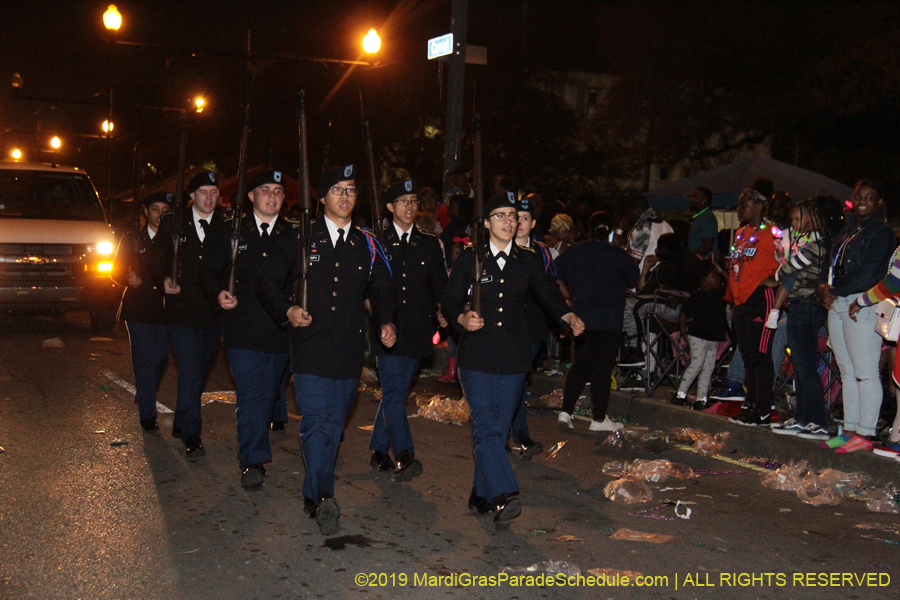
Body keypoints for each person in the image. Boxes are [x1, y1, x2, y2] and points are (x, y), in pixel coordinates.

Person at [258, 164, 395, 535]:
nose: (346, 196)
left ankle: (312, 493)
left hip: (349, 348)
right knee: (316, 422)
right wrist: (286, 309)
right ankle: (324, 497)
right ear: (321, 198)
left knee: (334, 425)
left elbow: (382, 287)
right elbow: (266, 281)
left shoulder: (367, 242)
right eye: (338, 189)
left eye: (351, 189)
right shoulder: (300, 236)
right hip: (309, 346)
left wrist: (386, 320)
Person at [443, 192, 584, 529]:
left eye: (514, 216)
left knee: (497, 428)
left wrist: (566, 315)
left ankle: (480, 493)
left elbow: (547, 292)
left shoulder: (528, 259)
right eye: (501, 215)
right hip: (476, 354)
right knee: (487, 425)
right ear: (487, 222)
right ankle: (503, 493)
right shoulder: (471, 259)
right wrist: (462, 320)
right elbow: (448, 301)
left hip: (513, 355)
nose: (509, 221)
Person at [199, 170, 292, 490]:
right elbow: (207, 270)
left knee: (269, 394)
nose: (272, 196)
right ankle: (252, 460)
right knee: (252, 393)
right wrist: (217, 294)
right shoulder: (231, 229)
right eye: (265, 190)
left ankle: (255, 445)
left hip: (280, 329)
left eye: (278, 191)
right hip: (243, 327)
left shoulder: (293, 232)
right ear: (251, 196)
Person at [368, 179, 447, 481]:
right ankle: (404, 454)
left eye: (413, 200)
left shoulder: (428, 243)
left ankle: (377, 449)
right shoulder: (377, 240)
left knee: (396, 393)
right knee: (393, 391)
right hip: (386, 326)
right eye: (402, 201)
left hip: (416, 328)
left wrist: (443, 309)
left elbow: (439, 283)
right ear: (389, 207)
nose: (409, 207)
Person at [151, 171, 224, 459]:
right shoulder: (174, 222)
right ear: (192, 196)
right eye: (203, 192)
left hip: (212, 311)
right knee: (191, 370)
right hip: (182, 310)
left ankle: (182, 421)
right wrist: (163, 280)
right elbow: (155, 259)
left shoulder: (226, 224)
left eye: (214, 192)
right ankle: (193, 435)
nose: (209, 197)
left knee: (200, 371)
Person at [820, 179, 896, 452]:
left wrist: (834, 288)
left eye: (870, 197)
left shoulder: (882, 233)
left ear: (878, 203)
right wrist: (823, 289)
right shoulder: (848, 229)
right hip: (838, 302)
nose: (863, 200)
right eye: (859, 196)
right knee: (847, 372)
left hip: (861, 303)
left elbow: (871, 272)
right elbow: (828, 264)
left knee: (865, 373)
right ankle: (849, 429)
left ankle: (866, 433)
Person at [764, 197, 843, 440]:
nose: (804, 221)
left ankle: (817, 421)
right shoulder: (819, 244)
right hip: (803, 306)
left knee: (805, 366)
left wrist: (781, 269)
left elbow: (787, 269)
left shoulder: (818, 246)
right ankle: (802, 419)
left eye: (809, 215)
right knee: (800, 366)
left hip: (806, 306)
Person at [556, 211, 639, 432]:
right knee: (602, 368)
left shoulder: (575, 252)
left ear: (589, 229)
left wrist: (568, 298)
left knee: (580, 365)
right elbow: (634, 277)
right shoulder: (618, 255)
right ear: (611, 231)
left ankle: (566, 412)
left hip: (582, 317)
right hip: (609, 319)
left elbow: (553, 272)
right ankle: (599, 419)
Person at [111, 191, 172, 432]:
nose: (160, 215)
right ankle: (147, 414)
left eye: (165, 210)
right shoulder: (133, 238)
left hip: (166, 308)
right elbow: (115, 269)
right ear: (146, 212)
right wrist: (126, 277)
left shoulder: (175, 239)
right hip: (138, 307)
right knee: (144, 359)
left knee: (161, 357)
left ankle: (146, 391)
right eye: (155, 209)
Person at [507, 195, 554, 458]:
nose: (520, 223)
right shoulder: (502, 249)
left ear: (533, 223)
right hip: (508, 327)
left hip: (532, 327)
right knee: (510, 384)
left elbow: (550, 289)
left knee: (519, 383)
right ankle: (512, 435)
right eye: (516, 218)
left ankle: (520, 435)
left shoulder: (542, 252)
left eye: (525, 218)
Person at [673, 260, 727, 410]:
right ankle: (680, 394)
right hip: (698, 335)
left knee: (708, 368)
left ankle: (702, 398)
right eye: (713, 276)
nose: (717, 280)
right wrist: (683, 331)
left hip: (713, 337)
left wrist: (722, 271)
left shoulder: (719, 295)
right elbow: (684, 312)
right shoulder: (698, 296)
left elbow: (732, 284)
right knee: (696, 365)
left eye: (718, 277)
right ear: (703, 279)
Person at [625, 196, 673, 274]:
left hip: (643, 279)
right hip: (661, 276)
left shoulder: (643, 229)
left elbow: (634, 262)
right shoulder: (666, 225)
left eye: (629, 213)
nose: (628, 217)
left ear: (637, 211)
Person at [687, 187, 718, 258]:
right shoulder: (700, 217)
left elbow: (707, 245)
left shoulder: (707, 217)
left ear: (703, 200)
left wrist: (690, 258)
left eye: (694, 197)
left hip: (703, 265)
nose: (690, 199)